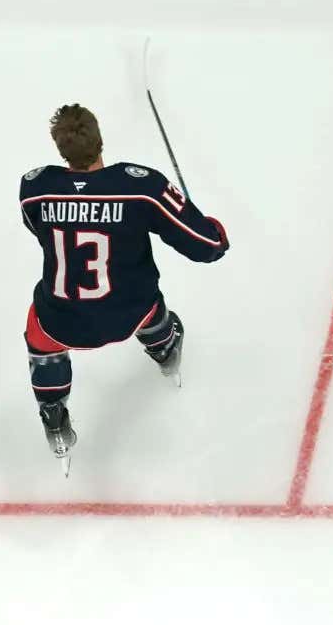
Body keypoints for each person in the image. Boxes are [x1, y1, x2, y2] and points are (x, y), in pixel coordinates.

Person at [19, 103, 231, 458]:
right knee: (149, 304)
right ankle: (164, 348)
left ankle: (53, 415)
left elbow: (37, 228)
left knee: (41, 334)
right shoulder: (141, 187)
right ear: (100, 140)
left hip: (63, 319)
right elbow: (206, 247)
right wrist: (212, 231)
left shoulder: (34, 188)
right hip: (128, 311)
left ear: (60, 148)